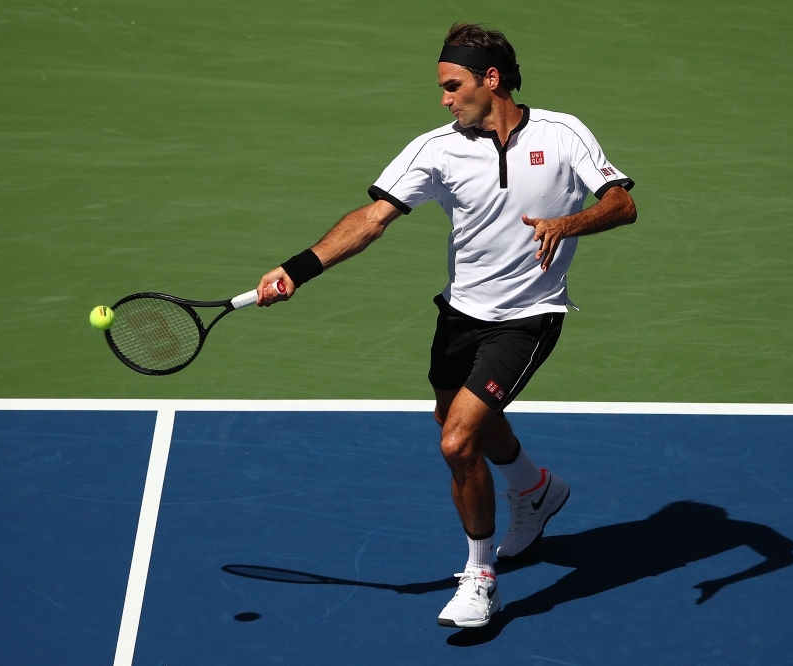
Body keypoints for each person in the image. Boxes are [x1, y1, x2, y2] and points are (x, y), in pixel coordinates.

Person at [255, 23, 637, 629]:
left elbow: (622, 203)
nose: (443, 99)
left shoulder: (564, 134)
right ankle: (535, 489)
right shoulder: (436, 149)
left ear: (491, 79)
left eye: (451, 85)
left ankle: (480, 578)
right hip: (461, 313)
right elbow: (374, 218)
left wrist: (569, 224)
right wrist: (297, 270)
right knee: (456, 420)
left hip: (528, 316)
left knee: (458, 440)